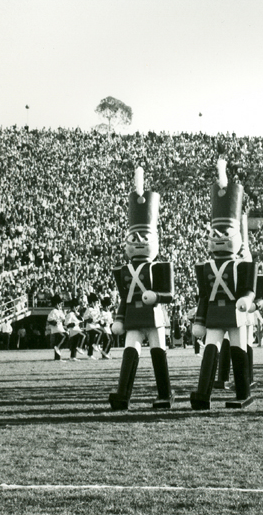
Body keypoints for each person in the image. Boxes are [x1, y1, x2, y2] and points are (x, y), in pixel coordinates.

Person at [190, 159, 256, 410]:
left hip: (234, 312)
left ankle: (242, 392)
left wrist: (246, 300)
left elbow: (250, 291)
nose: (219, 238)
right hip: (217, 313)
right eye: (215, 233)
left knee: (238, 350)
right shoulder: (206, 266)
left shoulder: (242, 265)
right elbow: (204, 296)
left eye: (225, 232)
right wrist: (199, 320)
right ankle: (203, 393)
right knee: (210, 351)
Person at [109, 167, 176, 410]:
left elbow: (169, 295)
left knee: (158, 353)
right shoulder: (124, 270)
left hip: (154, 316)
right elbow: (124, 298)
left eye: (143, 237)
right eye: (133, 237)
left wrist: (156, 296)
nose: (138, 242)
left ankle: (165, 394)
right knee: (129, 353)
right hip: (134, 317)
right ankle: (122, 395)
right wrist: (119, 317)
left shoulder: (159, 267)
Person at [45, 294, 68, 361]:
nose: (60, 306)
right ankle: (57, 348)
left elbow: (64, 319)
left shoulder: (60, 311)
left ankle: (58, 357)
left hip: (60, 328)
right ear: (56, 304)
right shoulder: (53, 311)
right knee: (63, 337)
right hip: (56, 329)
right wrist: (56, 322)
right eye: (59, 304)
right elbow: (49, 320)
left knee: (66, 337)